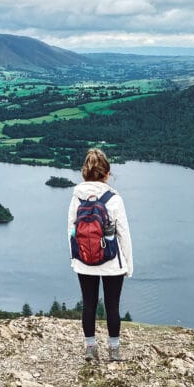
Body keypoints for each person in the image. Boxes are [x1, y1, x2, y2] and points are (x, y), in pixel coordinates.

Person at [68, 147, 133, 362]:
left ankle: (90, 348)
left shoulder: (76, 198)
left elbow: (71, 232)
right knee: (112, 305)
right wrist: (127, 266)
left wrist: (75, 259)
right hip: (111, 261)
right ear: (107, 173)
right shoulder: (114, 198)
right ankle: (114, 351)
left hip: (84, 261)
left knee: (89, 303)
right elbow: (123, 233)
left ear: (84, 173)